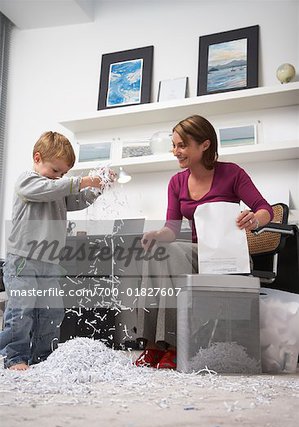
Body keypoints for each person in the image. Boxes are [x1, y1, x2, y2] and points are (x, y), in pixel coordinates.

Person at [135, 115, 273, 369]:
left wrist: (254, 219)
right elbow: (172, 230)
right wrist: (156, 235)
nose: (175, 152)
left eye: (182, 145)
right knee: (156, 252)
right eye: (174, 145)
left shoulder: (232, 173)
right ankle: (153, 345)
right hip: (197, 254)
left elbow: (265, 209)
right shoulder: (176, 182)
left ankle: (176, 344)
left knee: (173, 254)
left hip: (228, 255)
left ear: (205, 145)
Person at [0, 131, 116, 370]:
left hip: (49, 261)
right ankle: (14, 357)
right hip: (22, 259)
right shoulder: (27, 181)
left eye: (62, 174)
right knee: (21, 311)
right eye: (55, 171)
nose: (58, 178)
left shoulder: (56, 189)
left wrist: (98, 187)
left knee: (52, 312)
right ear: (37, 158)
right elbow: (50, 188)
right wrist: (82, 181)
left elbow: (76, 200)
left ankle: (44, 356)